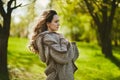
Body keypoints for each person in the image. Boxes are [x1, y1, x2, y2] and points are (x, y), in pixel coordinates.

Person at [29, 10, 79, 80]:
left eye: (58, 21)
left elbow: (72, 57)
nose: (58, 24)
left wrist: (66, 43)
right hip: (57, 76)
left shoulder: (55, 36)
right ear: (48, 24)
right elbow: (63, 56)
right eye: (56, 22)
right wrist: (64, 40)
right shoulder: (47, 38)